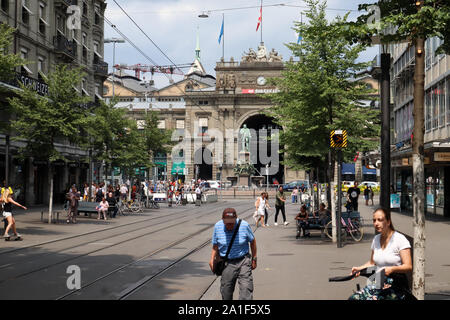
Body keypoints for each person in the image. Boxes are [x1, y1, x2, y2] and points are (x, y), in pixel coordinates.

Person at [349, 207, 412, 300]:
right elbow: (372, 263)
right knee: (354, 298)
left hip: (396, 284)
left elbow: (408, 266)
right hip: (378, 281)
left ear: (388, 222)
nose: (376, 223)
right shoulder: (376, 239)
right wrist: (359, 269)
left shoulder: (400, 239)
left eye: (380, 220)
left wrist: (391, 269)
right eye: (374, 220)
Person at [209, 208, 257, 300]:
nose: (230, 225)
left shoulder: (244, 225)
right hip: (227, 263)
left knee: (246, 290)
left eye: (232, 223)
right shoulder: (217, 226)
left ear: (236, 219)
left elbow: (253, 241)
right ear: (222, 220)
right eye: (227, 223)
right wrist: (212, 259)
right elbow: (215, 245)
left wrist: (254, 258)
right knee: (226, 292)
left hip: (243, 261)